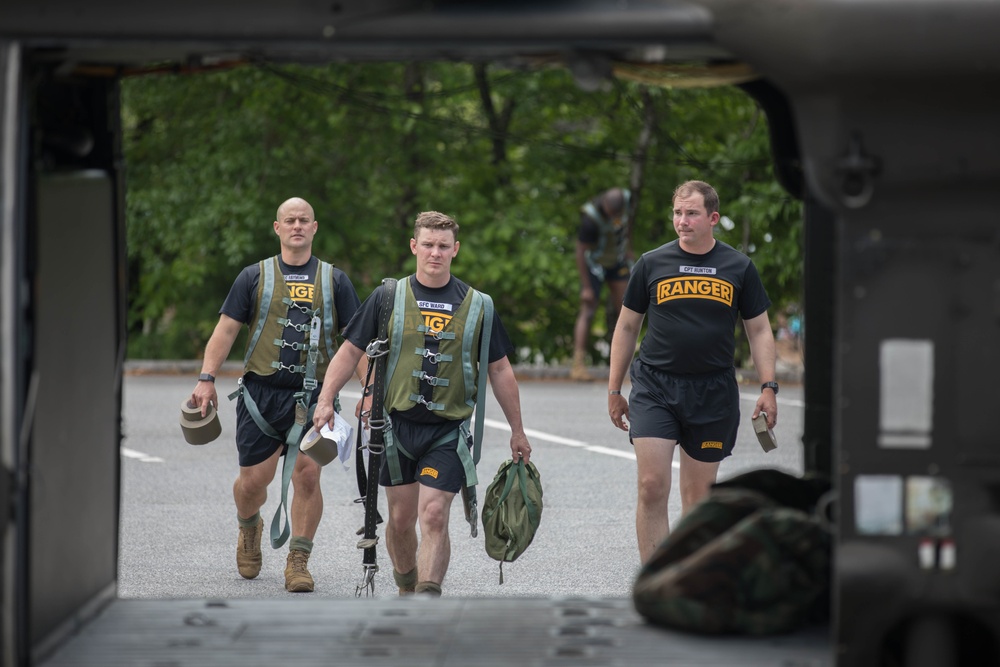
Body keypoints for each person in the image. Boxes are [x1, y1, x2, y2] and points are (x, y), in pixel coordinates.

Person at [312, 210, 532, 597]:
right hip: (395, 429)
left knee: (432, 515)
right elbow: (349, 352)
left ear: (456, 250)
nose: (435, 253)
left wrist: (517, 430)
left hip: (446, 431)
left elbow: (500, 370)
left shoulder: (479, 306)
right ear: (414, 246)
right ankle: (406, 586)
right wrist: (326, 400)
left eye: (443, 246)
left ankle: (427, 602)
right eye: (428, 244)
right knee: (399, 521)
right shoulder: (388, 297)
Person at [189, 197, 363, 592]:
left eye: (304, 220)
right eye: (290, 220)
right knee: (253, 483)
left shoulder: (336, 281)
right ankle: (249, 526)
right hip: (260, 396)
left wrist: (370, 393)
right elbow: (226, 330)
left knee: (307, 476)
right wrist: (206, 377)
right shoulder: (253, 276)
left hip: (316, 397)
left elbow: (356, 344)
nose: (297, 225)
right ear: (277, 227)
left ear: (315, 228)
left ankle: (298, 560)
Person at [607, 180, 778, 564]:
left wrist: (769, 386)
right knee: (652, 486)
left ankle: (690, 578)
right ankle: (655, 575)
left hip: (713, 390)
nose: (682, 221)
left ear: (713, 218)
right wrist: (614, 388)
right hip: (655, 386)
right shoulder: (651, 263)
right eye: (677, 213)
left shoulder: (739, 267)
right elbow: (627, 326)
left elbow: (760, 329)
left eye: (692, 213)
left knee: (698, 499)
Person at [571, 187, 634, 381]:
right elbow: (580, 252)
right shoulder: (590, 219)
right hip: (594, 265)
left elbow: (624, 229)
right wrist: (587, 287)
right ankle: (578, 365)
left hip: (617, 261)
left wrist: (628, 251)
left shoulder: (627, 200)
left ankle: (627, 364)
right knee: (588, 311)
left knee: (627, 310)